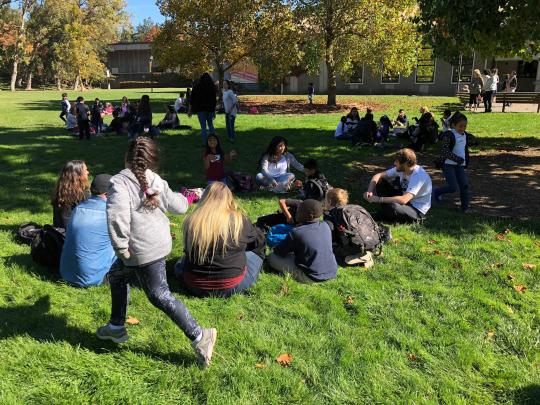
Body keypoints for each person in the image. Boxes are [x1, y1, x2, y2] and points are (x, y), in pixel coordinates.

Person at [97, 137, 216, 368]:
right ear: (153, 161)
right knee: (118, 276)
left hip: (139, 251)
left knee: (159, 295)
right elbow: (180, 206)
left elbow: (116, 217)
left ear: (126, 157)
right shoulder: (155, 180)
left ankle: (201, 336)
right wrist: (187, 196)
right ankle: (116, 327)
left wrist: (121, 247)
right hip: (158, 244)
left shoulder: (119, 183)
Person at [174, 182, 265, 297]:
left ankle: (181, 269)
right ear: (229, 198)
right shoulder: (238, 220)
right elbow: (258, 242)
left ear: (205, 197)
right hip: (230, 287)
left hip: (193, 285)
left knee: (182, 261)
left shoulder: (191, 220)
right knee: (255, 255)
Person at [59, 174, 117, 287]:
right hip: (94, 278)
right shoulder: (111, 213)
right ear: (107, 193)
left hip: (66, 273)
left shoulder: (78, 209)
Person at [267, 199, 337, 283]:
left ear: (310, 216)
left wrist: (276, 246)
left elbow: (279, 252)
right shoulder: (326, 225)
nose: (297, 212)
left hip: (311, 276)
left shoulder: (297, 232)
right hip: (332, 271)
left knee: (272, 257)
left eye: (299, 211)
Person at [363, 148, 432, 223]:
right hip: (403, 200)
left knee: (393, 207)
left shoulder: (418, 175)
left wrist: (378, 199)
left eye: (396, 161)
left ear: (405, 163)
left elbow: (403, 200)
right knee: (380, 181)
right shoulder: (402, 169)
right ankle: (387, 211)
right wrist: (369, 192)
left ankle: (374, 216)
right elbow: (378, 175)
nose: (394, 163)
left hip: (416, 210)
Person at [433, 112, 476, 212]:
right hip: (448, 165)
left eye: (464, 126)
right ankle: (436, 193)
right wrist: (457, 159)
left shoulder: (464, 135)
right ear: (453, 125)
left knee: (464, 186)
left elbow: (463, 148)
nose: (463, 128)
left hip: (459, 166)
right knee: (452, 187)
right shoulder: (449, 135)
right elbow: (444, 151)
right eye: (460, 126)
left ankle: (464, 208)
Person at [52, 160, 90, 229]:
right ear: (78, 174)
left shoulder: (61, 192)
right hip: (75, 235)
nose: (88, 172)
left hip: (58, 234)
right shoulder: (82, 194)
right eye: (86, 170)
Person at [189, 72, 217, 146]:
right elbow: (214, 100)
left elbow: (192, 98)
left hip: (201, 110)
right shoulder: (212, 87)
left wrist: (191, 108)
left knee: (203, 127)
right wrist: (214, 110)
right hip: (210, 109)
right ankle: (214, 142)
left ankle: (205, 143)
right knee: (211, 125)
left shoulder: (197, 86)